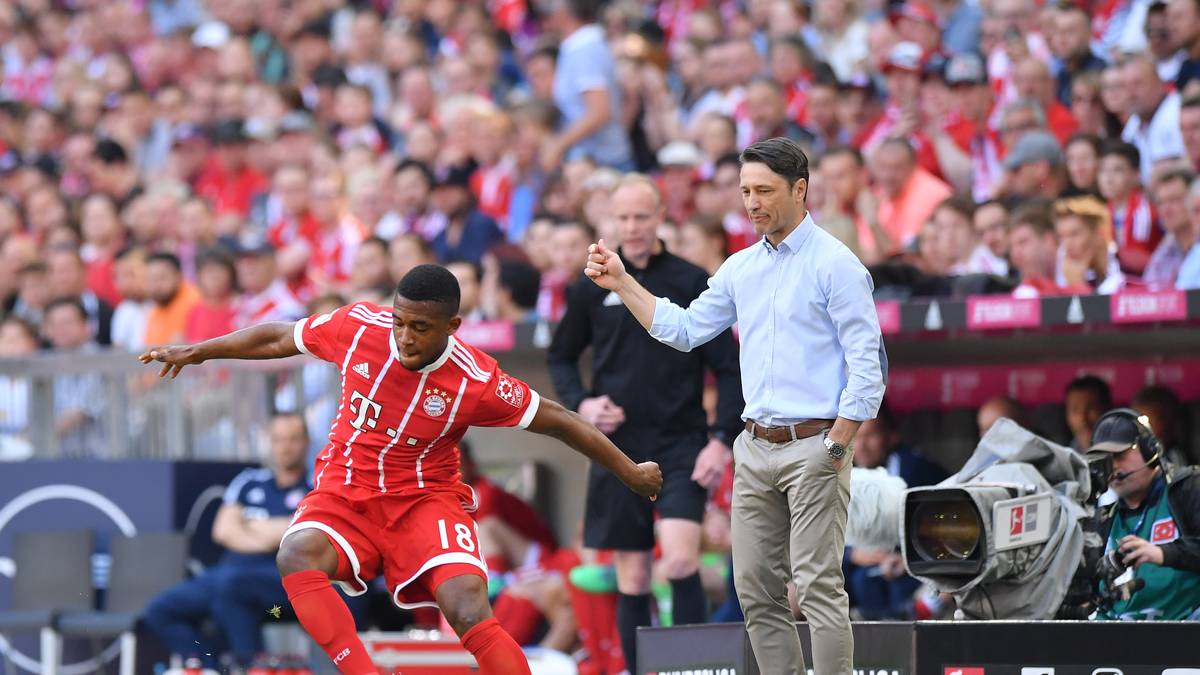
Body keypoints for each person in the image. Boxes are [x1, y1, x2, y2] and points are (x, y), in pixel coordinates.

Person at [140, 264, 662, 675]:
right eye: (399, 321)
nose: (405, 337)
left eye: (420, 327)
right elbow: (281, 337)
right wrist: (202, 351)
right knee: (295, 554)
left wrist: (631, 472)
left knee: (467, 606)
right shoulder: (358, 327)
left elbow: (560, 421)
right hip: (346, 491)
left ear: (451, 327)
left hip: (424, 501)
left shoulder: (476, 380)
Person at [583, 138, 885, 674]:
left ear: (800, 189)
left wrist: (838, 443)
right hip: (755, 445)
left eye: (764, 191)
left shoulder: (837, 264)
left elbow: (868, 366)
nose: (752, 203)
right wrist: (624, 282)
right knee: (753, 589)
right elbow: (683, 330)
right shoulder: (740, 266)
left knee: (817, 586)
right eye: (746, 191)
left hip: (816, 443)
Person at [547, 174, 744, 668]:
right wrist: (584, 404)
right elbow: (561, 357)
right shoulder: (590, 285)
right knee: (633, 576)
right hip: (618, 445)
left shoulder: (691, 280)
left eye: (641, 216)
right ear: (610, 220)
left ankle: (695, 668)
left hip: (682, 441)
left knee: (679, 559)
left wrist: (721, 439)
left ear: (660, 217)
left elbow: (728, 366)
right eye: (623, 217)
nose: (632, 227)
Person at [142, 413, 315, 668]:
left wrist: (249, 526)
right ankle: (212, 668)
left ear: (306, 442)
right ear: (269, 442)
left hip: (277, 583)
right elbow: (223, 531)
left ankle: (254, 670)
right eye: (278, 439)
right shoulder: (249, 481)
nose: (285, 447)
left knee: (231, 589)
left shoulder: (316, 486)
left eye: (292, 439)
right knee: (161, 610)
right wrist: (274, 534)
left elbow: (300, 536)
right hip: (226, 575)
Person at [1088, 410, 1200, 621]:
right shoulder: (1103, 518)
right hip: (1119, 633)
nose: (1113, 467)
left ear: (1150, 450)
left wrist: (1162, 553)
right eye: (1106, 460)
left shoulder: (1188, 489)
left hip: (1186, 628)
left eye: (1120, 456)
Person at [845, 408, 947, 619]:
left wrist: (905, 558)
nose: (861, 445)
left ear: (891, 437)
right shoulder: (842, 473)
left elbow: (942, 527)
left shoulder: (915, 470)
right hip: (865, 566)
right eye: (855, 436)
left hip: (912, 563)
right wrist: (852, 554)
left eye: (870, 435)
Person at [1066, 374, 1113, 452]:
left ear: (1108, 410)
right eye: (1075, 410)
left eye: (1091, 409)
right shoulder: (1060, 456)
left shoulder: (1128, 453)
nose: (1083, 418)